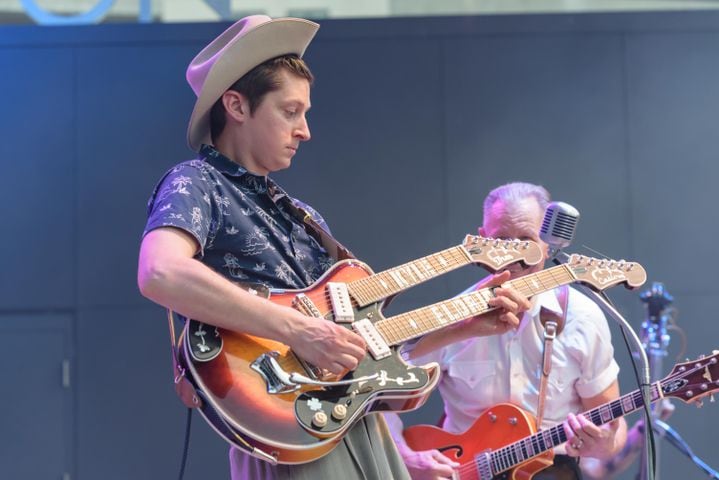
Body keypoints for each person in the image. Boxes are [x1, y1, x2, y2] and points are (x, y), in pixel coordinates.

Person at [137, 15, 529, 480]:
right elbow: (160, 271)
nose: (305, 130)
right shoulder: (197, 182)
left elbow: (360, 352)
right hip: (289, 434)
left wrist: (460, 325)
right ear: (236, 106)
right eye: (290, 111)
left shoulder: (304, 217)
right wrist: (300, 331)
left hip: (357, 427)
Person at [386, 182, 628, 480]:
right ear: (482, 240)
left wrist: (604, 444)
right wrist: (406, 457)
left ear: (548, 242)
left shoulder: (582, 317)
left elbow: (612, 429)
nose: (516, 254)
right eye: (502, 240)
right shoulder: (450, 316)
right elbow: (378, 401)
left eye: (526, 239)